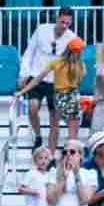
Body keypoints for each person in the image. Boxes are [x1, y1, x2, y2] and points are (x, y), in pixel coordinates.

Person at [15, 36, 85, 156]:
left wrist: (22, 91)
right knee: (72, 135)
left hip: (58, 96)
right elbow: (79, 81)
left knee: (54, 127)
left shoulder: (57, 62)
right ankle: (70, 159)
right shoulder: (80, 65)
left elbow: (37, 79)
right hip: (72, 96)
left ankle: (50, 157)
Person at [19, 8, 77, 151]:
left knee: (55, 122)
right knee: (32, 108)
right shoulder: (41, 29)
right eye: (62, 22)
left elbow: (73, 64)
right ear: (57, 19)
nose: (64, 26)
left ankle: (50, 155)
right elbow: (29, 52)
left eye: (68, 23)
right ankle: (38, 136)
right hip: (37, 76)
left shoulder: (72, 38)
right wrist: (23, 73)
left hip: (57, 82)